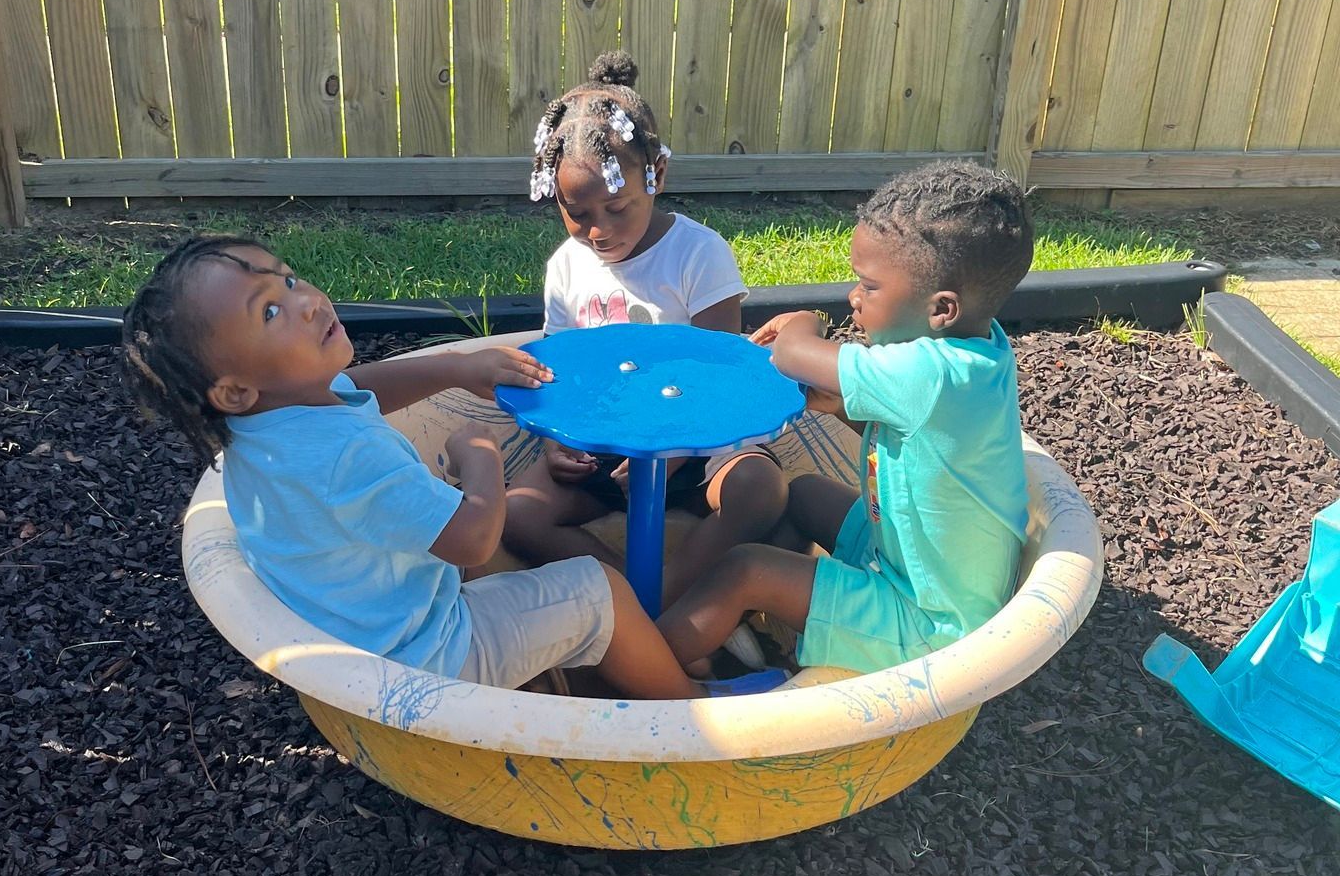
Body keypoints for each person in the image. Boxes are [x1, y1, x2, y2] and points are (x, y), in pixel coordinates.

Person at [121, 235, 697, 698]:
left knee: (500, 555)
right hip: (427, 659)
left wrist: (453, 368)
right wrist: (481, 460)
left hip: (354, 636)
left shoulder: (266, 425)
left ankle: (563, 672)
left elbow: (354, 386)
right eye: (270, 311)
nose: (308, 301)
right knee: (600, 592)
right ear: (235, 390)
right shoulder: (349, 458)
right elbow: (471, 540)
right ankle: (686, 707)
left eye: (289, 279)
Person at [658, 161, 1035, 678]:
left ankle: (646, 672)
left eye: (869, 286)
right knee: (807, 493)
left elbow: (793, 353)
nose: (853, 298)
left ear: (941, 309)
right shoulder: (977, 350)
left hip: (929, 625)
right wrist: (842, 408)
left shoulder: (926, 374)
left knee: (744, 569)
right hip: (911, 565)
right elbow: (922, 442)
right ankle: (776, 628)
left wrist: (803, 321)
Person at [502, 49, 788, 601]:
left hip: (700, 445)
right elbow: (559, 370)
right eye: (576, 213)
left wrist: (674, 450)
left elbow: (723, 369)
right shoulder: (566, 265)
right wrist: (557, 445)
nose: (597, 232)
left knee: (760, 489)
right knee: (518, 514)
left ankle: (666, 595)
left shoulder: (697, 255)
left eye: (618, 208)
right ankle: (622, 596)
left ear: (655, 174)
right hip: (608, 452)